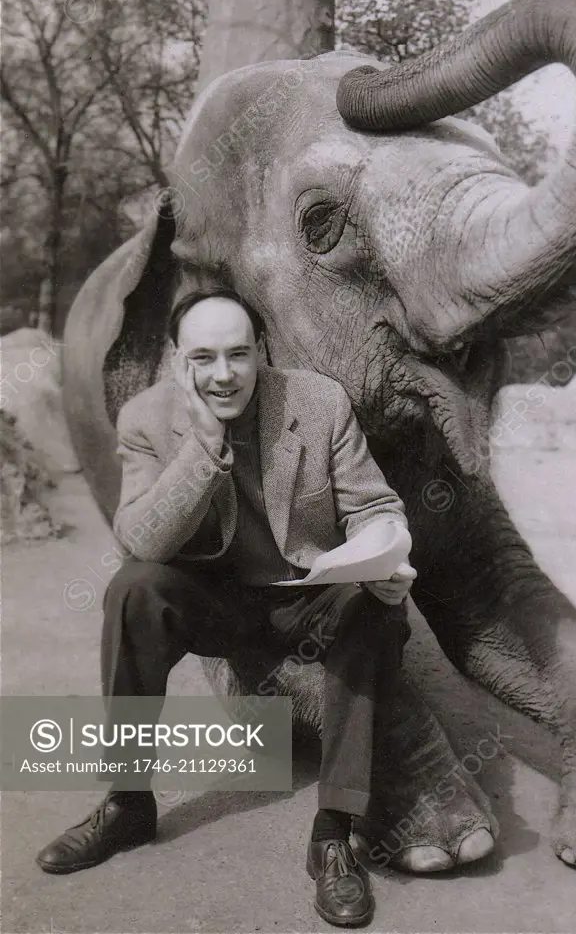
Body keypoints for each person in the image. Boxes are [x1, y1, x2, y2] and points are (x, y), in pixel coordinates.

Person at [36, 285, 416, 928]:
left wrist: (383, 552)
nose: (223, 374)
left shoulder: (318, 402)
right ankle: (127, 804)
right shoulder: (145, 419)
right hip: (210, 605)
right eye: (204, 357)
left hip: (306, 597)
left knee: (375, 608)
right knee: (134, 588)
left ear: (261, 350)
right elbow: (141, 540)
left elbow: (375, 505)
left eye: (238, 354)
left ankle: (334, 833)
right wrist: (205, 444)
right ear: (177, 360)